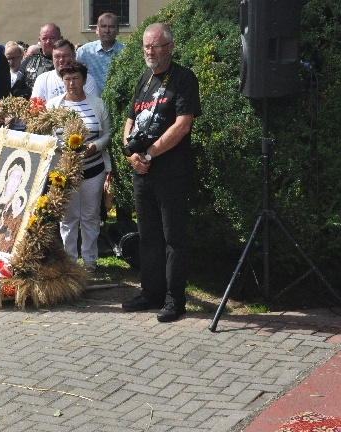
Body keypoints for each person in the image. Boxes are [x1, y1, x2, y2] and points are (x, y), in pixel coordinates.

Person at [120, 23, 202, 323]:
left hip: (170, 173)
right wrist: (130, 153)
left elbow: (182, 125)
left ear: (169, 47)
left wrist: (150, 153)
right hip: (142, 172)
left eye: (154, 46)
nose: (149, 52)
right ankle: (150, 293)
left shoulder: (183, 78)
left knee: (173, 239)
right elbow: (129, 120)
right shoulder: (145, 79)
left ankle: (174, 300)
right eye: (145, 46)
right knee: (148, 237)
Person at [46, 60, 110, 273]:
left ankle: (90, 262)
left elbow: (108, 134)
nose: (71, 83)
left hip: (93, 169)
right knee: (68, 217)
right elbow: (46, 136)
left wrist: (95, 146)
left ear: (84, 80)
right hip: (64, 171)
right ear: (62, 80)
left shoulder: (97, 104)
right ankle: (70, 262)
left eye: (75, 78)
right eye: (67, 79)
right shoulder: (53, 106)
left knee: (90, 216)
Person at [31, 39, 99, 103]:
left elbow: (92, 107)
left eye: (65, 55)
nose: (61, 60)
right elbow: (36, 108)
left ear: (74, 56)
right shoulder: (42, 80)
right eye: (57, 56)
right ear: (52, 58)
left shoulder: (87, 79)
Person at [76, 12, 126, 93]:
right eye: (103, 26)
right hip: (90, 103)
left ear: (117, 30)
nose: (107, 31)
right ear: (97, 30)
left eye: (112, 27)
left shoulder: (125, 52)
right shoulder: (84, 53)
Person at [18, 23, 61, 90]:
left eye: (52, 38)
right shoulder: (28, 62)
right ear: (39, 40)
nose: (48, 42)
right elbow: (16, 90)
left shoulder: (68, 63)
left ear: (60, 39)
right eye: (44, 38)